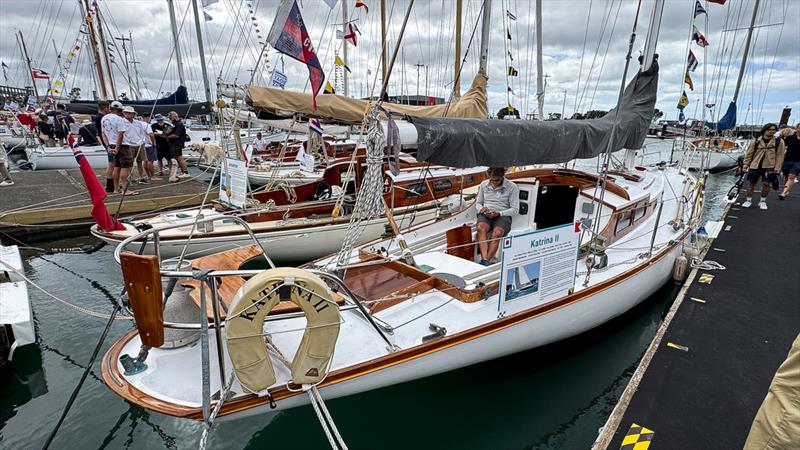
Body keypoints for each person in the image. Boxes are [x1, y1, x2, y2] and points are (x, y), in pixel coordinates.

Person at [475, 167, 520, 266]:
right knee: (480, 228)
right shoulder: (483, 184)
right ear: (489, 176)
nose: (495, 182)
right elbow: (478, 203)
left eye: (498, 180)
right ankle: (485, 260)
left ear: (503, 176)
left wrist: (499, 213)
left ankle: (485, 261)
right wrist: (481, 209)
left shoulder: (512, 187)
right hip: (486, 213)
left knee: (497, 233)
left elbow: (515, 209)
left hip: (502, 214)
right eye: (492, 180)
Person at [741, 123, 785, 210]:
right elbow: (749, 154)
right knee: (751, 183)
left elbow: (780, 155)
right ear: (765, 130)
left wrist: (777, 168)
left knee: (766, 184)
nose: (772, 131)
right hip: (755, 164)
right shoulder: (756, 141)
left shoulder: (778, 141)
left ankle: (762, 201)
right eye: (770, 130)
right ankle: (748, 200)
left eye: (774, 130)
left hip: (769, 165)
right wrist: (745, 165)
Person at [115, 106, 144, 195]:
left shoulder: (138, 123)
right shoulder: (121, 122)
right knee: (127, 165)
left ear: (133, 114)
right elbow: (120, 134)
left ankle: (140, 177)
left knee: (140, 161)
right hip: (127, 144)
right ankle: (126, 184)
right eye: (126, 112)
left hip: (138, 143)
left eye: (130, 113)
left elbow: (141, 132)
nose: (128, 114)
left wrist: (141, 141)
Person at [100, 101, 125, 192]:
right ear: (120, 110)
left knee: (111, 165)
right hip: (118, 144)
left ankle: (111, 186)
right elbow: (120, 134)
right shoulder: (119, 119)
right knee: (119, 167)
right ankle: (116, 187)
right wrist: (117, 148)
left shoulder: (104, 118)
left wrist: (108, 146)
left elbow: (103, 133)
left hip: (110, 144)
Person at [778, 123, 800, 200]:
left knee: (792, 176)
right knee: (786, 176)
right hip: (788, 159)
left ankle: (783, 193)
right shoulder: (790, 138)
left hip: (798, 161)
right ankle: (786, 190)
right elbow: (782, 146)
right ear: (796, 129)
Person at [166, 111, 190, 180]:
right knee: (177, 157)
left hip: (177, 144)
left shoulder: (179, 124)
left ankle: (185, 172)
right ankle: (183, 171)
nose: (170, 119)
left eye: (170, 118)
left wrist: (167, 136)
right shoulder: (175, 124)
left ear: (174, 117)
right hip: (174, 144)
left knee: (179, 157)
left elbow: (177, 135)